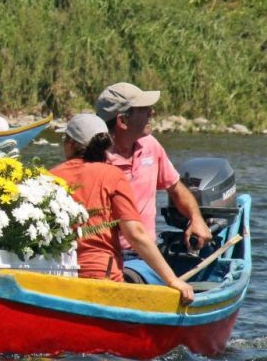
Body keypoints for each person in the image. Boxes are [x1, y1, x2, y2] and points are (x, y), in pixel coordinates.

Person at [49, 114, 194, 305]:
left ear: (71, 144)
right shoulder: (113, 176)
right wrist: (173, 280)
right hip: (101, 276)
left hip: (55, 274)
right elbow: (135, 233)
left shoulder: (50, 176)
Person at [95, 82, 212, 256]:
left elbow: (176, 188)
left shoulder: (151, 145)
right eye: (143, 109)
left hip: (146, 253)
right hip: (107, 255)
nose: (153, 112)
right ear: (122, 121)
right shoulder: (95, 159)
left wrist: (196, 219)